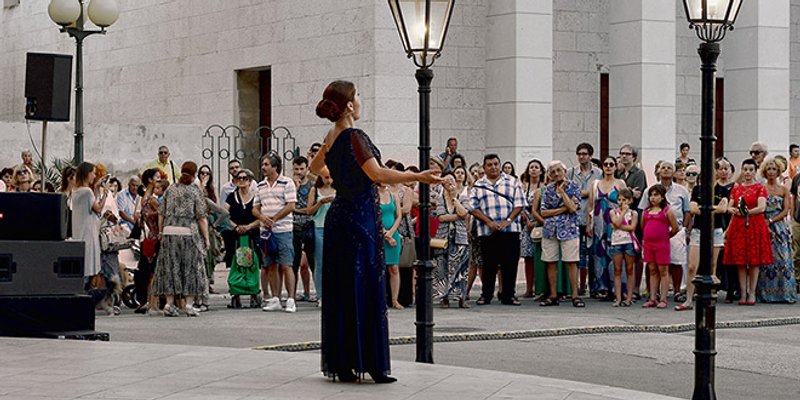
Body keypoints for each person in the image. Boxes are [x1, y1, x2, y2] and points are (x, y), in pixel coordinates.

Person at [311, 80, 440, 383]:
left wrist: (343, 176)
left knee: (344, 288)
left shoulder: (332, 135)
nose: (361, 99)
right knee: (364, 286)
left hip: (340, 215)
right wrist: (417, 175)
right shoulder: (355, 136)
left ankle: (344, 363)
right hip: (360, 218)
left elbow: (318, 168)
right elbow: (378, 173)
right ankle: (369, 362)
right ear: (350, 106)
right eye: (358, 96)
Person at [152, 161, 210, 317]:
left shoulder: (170, 189)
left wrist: (162, 231)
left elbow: (161, 213)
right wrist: (206, 238)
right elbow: (201, 217)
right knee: (191, 268)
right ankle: (189, 305)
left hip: (169, 231)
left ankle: (169, 304)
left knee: (171, 267)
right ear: (194, 174)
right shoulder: (194, 191)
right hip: (187, 233)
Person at [468, 154, 526, 306]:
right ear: (484, 167)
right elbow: (472, 207)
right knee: (488, 264)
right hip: (487, 231)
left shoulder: (512, 182)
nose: (493, 167)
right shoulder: (479, 185)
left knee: (510, 263)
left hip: (511, 229)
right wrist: (488, 222)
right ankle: (486, 295)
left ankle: (508, 295)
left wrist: (508, 221)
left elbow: (519, 204)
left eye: (495, 164)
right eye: (489, 165)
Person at [678, 162, 730, 311]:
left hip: (716, 230)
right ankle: (689, 298)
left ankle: (710, 298)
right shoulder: (697, 189)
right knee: (692, 266)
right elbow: (693, 208)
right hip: (698, 229)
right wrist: (713, 208)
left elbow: (723, 208)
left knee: (712, 266)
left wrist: (706, 208)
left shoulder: (722, 190)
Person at [639, 161, 690, 303]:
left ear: (674, 172)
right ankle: (652, 293)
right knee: (652, 265)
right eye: (663, 168)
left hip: (675, 230)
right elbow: (643, 213)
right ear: (658, 171)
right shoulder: (649, 190)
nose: (666, 170)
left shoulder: (682, 190)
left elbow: (687, 212)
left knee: (675, 262)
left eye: (669, 168)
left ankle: (677, 291)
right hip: (654, 235)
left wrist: (684, 230)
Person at [724, 159, 772, 306]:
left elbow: (762, 207)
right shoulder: (736, 188)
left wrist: (747, 212)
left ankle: (752, 292)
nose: (747, 173)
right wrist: (731, 210)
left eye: (751, 170)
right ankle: (743, 292)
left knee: (754, 261)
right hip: (738, 225)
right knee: (740, 260)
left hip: (754, 224)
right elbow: (730, 206)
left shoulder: (760, 188)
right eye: (745, 169)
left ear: (755, 171)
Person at [253, 154, 297, 313]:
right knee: (270, 265)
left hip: (283, 230)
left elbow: (291, 205)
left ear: (275, 167)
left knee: (286, 264)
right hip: (266, 232)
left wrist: (275, 218)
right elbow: (255, 207)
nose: (263, 167)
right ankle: (275, 297)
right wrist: (262, 218)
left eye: (266, 164)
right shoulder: (260, 185)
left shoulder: (287, 183)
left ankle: (291, 299)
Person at [538, 161, 583, 307]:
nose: (556, 174)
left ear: (564, 171)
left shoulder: (574, 187)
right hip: (550, 230)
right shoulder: (547, 189)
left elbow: (573, 208)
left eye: (559, 170)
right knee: (551, 261)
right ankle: (553, 295)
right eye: (552, 172)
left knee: (571, 262)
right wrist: (562, 209)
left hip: (569, 229)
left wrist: (563, 193)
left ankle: (575, 295)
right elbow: (543, 212)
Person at [757, 158, 797, 303]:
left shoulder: (784, 189)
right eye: (769, 169)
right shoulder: (761, 188)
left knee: (783, 258)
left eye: (774, 169)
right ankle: (766, 293)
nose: (771, 172)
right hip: (763, 225)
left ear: (779, 171)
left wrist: (772, 221)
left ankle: (785, 293)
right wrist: (765, 223)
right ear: (765, 172)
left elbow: (786, 209)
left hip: (779, 226)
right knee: (766, 261)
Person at [586, 156, 627, 300]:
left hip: (614, 222)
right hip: (598, 223)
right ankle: (601, 287)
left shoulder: (620, 182)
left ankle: (618, 288)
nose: (608, 167)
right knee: (598, 254)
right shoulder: (595, 183)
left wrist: (623, 222)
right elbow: (590, 206)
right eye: (606, 164)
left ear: (615, 166)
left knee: (614, 253)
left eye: (611, 164)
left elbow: (625, 204)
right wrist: (588, 224)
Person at [224, 168, 262, 309]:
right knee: (236, 264)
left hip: (252, 235)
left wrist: (249, 226)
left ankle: (254, 293)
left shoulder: (256, 196)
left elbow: (261, 216)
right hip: (236, 237)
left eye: (244, 178)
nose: (241, 180)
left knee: (253, 264)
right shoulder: (231, 197)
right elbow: (224, 215)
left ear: (250, 181)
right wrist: (235, 227)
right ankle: (236, 294)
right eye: (238, 178)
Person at [568, 143, 602, 296]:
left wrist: (586, 193)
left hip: (593, 218)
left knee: (592, 253)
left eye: (584, 154)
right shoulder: (570, 173)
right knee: (575, 254)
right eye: (579, 154)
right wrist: (587, 192)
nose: (582, 157)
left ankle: (594, 286)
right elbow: (569, 193)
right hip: (574, 217)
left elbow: (599, 193)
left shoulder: (599, 173)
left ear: (590, 155)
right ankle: (578, 286)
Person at [432, 173, 470, 308]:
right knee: (442, 268)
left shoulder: (463, 197)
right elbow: (441, 217)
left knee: (461, 268)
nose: (450, 183)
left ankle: (462, 298)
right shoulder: (440, 198)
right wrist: (458, 216)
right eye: (447, 181)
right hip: (443, 237)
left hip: (460, 237)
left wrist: (455, 199)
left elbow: (464, 213)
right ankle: (444, 298)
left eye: (452, 180)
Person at [641, 184, 680, 309]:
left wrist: (665, 236)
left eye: (656, 195)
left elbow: (675, 227)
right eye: (651, 195)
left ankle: (663, 298)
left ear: (662, 197)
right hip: (648, 244)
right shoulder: (646, 211)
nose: (653, 198)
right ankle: (653, 297)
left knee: (663, 271)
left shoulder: (667, 210)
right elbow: (643, 226)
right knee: (652, 270)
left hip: (662, 244)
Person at [72, 162, 105, 303]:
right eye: (93, 173)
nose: (94, 176)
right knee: (89, 264)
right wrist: (105, 194)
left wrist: (96, 189)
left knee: (82, 264)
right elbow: (97, 208)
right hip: (88, 232)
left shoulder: (77, 191)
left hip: (80, 230)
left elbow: (91, 205)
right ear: (87, 173)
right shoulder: (87, 191)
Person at [133, 169, 163, 316]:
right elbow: (163, 213)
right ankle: (153, 302)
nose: (159, 179)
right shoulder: (152, 199)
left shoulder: (142, 198)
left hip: (147, 237)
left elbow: (137, 216)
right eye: (157, 177)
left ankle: (146, 301)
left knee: (146, 270)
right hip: (155, 237)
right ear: (150, 180)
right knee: (153, 271)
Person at [307, 171, 336, 307]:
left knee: (335, 263)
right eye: (326, 177)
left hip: (335, 228)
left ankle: (334, 293)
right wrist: (320, 203)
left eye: (330, 177)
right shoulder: (315, 190)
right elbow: (309, 211)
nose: (329, 180)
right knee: (320, 263)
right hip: (320, 227)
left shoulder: (338, 189)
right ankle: (321, 294)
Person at [291, 156, 316, 302]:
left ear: (307, 169)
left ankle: (313, 292)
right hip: (293, 227)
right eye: (296, 169)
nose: (299, 172)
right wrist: (296, 188)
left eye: (302, 169)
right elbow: (288, 204)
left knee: (312, 261)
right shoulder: (290, 184)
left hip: (308, 226)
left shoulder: (313, 185)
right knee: (293, 262)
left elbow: (309, 209)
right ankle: (292, 295)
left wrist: (296, 210)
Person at [608, 188, 638, 307]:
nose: (621, 202)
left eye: (624, 200)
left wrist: (618, 226)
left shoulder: (634, 213)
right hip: (616, 243)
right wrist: (623, 214)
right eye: (619, 200)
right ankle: (618, 298)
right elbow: (615, 223)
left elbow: (632, 228)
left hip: (629, 242)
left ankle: (629, 297)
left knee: (630, 270)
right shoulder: (613, 212)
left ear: (630, 201)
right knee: (617, 270)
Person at [519, 159, 545, 297]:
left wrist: (536, 221)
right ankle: (529, 288)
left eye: (536, 167)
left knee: (541, 256)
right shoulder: (523, 186)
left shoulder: (545, 186)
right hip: (526, 224)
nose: (534, 169)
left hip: (541, 222)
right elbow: (519, 204)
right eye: (531, 167)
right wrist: (527, 220)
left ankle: (540, 286)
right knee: (528, 257)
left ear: (541, 170)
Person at [379, 183, 403, 309]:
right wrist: (385, 234)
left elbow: (398, 216)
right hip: (379, 234)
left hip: (394, 233)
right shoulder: (373, 195)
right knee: (380, 268)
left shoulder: (393, 195)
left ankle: (395, 299)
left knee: (394, 267)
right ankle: (381, 299)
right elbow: (374, 216)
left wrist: (391, 232)